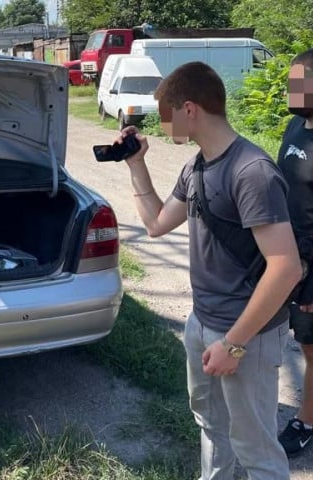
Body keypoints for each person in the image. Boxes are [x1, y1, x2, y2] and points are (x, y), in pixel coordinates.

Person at [117, 61, 301, 479]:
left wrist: (234, 344)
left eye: (165, 116)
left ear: (189, 109)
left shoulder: (251, 172)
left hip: (245, 335)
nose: (163, 126)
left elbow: (285, 267)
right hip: (203, 323)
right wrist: (136, 164)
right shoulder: (197, 165)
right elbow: (157, 224)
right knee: (213, 429)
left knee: (255, 449)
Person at [276, 48, 313, 457]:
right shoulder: (294, 127)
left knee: (311, 348)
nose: (292, 88)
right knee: (299, 344)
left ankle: (307, 421)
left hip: (312, 271)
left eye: (301, 80)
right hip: (289, 261)